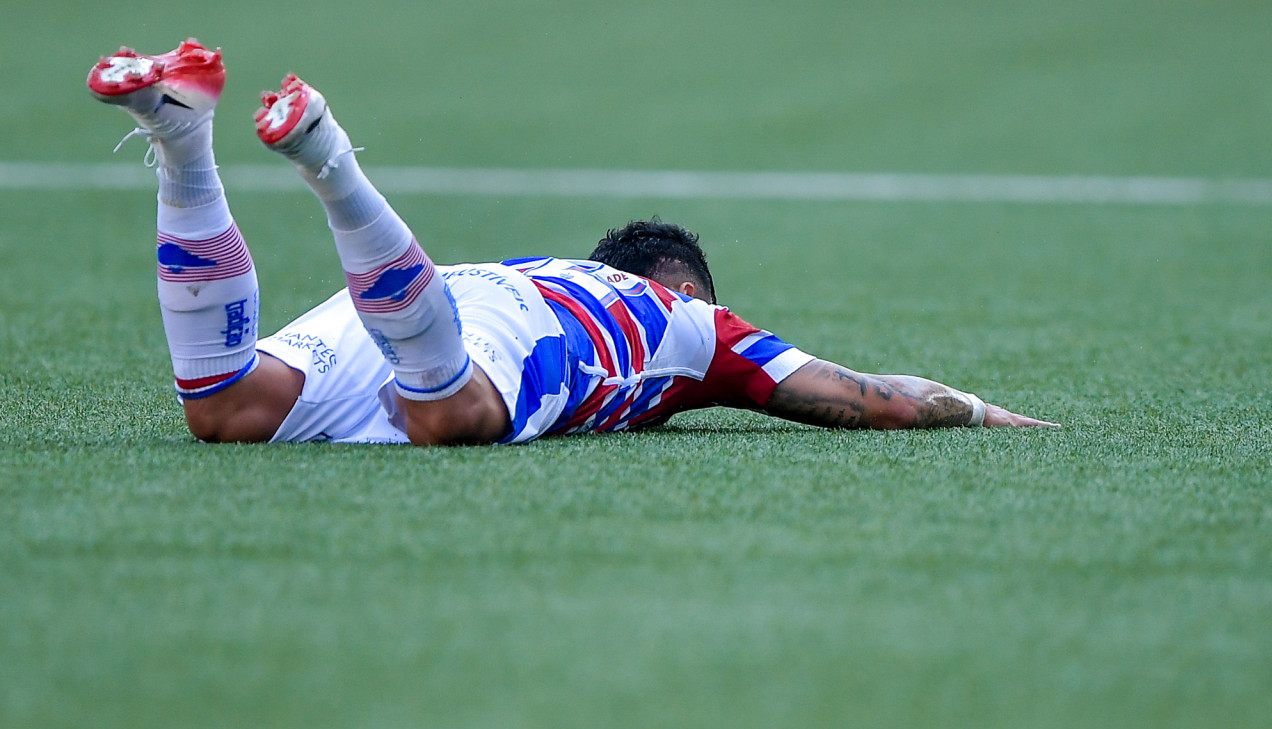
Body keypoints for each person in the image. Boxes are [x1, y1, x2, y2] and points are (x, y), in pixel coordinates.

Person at [88, 40, 1054, 446]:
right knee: (451, 419)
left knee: (228, 408)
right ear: (690, 288)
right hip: (497, 329)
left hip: (441, 291)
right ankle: (327, 156)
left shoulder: (545, 267)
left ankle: (180, 140)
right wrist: (980, 413)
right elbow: (872, 399)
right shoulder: (694, 327)